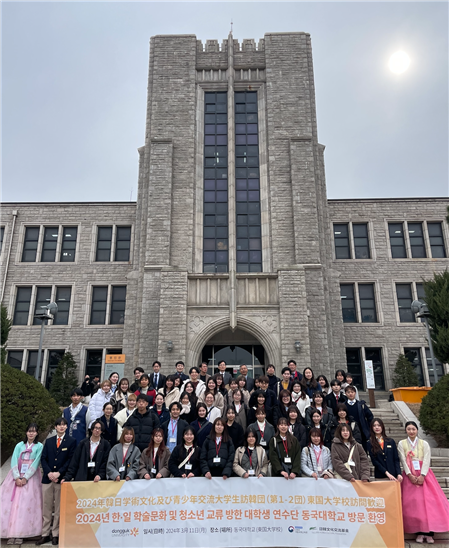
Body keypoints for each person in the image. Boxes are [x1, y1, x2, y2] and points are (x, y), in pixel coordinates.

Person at [398, 421, 449, 544]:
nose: (411, 431)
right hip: (409, 474)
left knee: (429, 503)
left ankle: (430, 532)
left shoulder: (424, 443)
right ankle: (419, 531)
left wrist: (423, 475)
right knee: (414, 505)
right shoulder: (402, 443)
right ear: (406, 430)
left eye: (413, 429)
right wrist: (409, 474)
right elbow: (403, 460)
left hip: (424, 474)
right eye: (409, 429)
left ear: (417, 430)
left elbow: (427, 459)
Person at [0, 424, 44, 545]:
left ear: (37, 433)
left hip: (31, 478)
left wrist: (25, 477)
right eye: (29, 431)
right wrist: (16, 476)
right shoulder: (19, 445)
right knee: (12, 504)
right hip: (16, 476)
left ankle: (22, 533)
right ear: (26, 433)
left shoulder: (39, 446)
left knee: (26, 504)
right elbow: (14, 459)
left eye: (34, 432)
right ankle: (11, 533)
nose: (31, 434)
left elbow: (36, 462)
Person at [37, 418, 76, 546]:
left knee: (59, 508)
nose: (61, 427)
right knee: (46, 507)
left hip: (61, 479)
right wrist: (48, 473)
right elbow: (43, 459)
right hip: (47, 479)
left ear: (66, 427)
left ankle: (56, 534)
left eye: (64, 425)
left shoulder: (71, 441)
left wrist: (59, 473)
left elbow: (70, 460)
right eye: (59, 425)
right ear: (55, 427)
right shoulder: (48, 441)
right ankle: (45, 534)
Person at [344, 385, 374, 449]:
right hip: (348, 430)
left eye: (352, 392)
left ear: (355, 393)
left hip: (361, 431)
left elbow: (370, 417)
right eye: (348, 392)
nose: (350, 394)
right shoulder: (344, 405)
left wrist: (368, 428)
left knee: (363, 449)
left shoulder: (361, 405)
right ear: (345, 394)